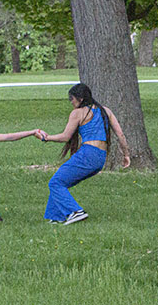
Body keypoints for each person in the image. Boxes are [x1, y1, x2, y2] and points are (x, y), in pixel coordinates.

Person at [36, 83, 131, 225]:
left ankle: (75, 212)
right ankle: (55, 216)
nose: (71, 102)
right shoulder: (106, 111)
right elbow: (121, 135)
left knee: (55, 183)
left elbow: (65, 137)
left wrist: (46, 138)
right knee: (62, 181)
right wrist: (126, 155)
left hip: (88, 153)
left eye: (71, 98)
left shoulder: (78, 113)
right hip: (100, 158)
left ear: (80, 99)